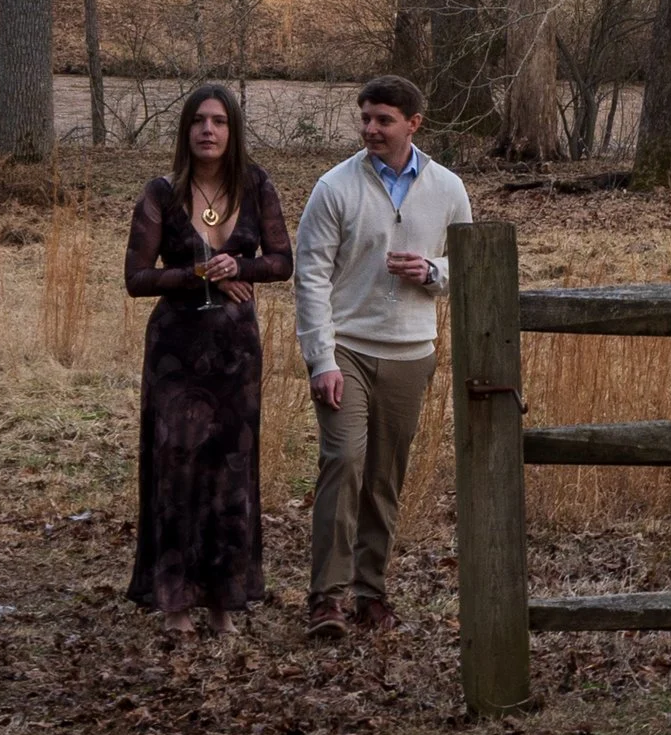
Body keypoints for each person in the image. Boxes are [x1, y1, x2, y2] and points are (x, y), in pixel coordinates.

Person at [293, 75, 474, 640]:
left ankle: (371, 594)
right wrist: (321, 358)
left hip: (411, 353)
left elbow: (470, 262)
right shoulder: (335, 186)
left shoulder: (447, 188)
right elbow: (311, 276)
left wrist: (433, 272)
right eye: (365, 118)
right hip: (346, 348)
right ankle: (326, 598)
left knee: (383, 479)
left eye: (384, 120)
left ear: (413, 124)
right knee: (343, 462)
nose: (371, 129)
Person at [125, 82, 294, 624]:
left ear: (233, 130)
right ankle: (174, 603)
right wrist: (198, 272)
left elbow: (283, 260)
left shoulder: (257, 186)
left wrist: (238, 267)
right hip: (175, 353)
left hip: (235, 355)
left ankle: (224, 601)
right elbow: (136, 279)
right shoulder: (161, 193)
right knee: (176, 467)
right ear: (185, 130)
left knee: (229, 469)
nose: (208, 130)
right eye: (199, 120)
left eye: (219, 121)